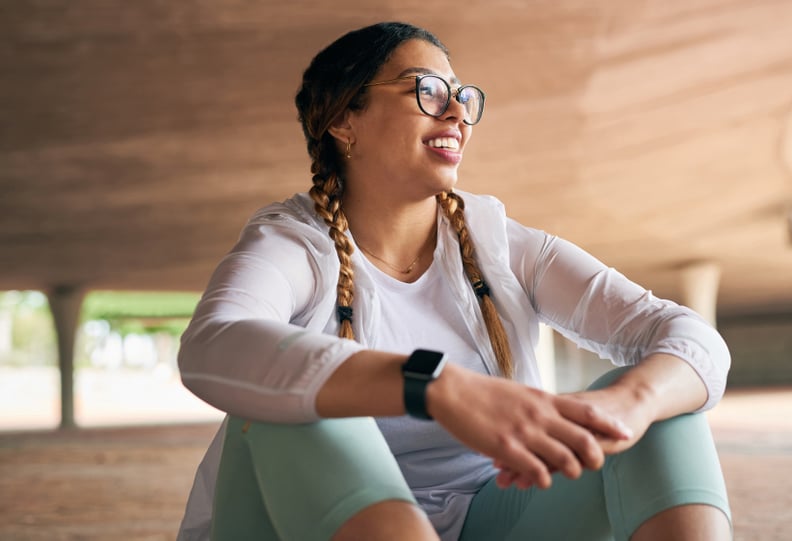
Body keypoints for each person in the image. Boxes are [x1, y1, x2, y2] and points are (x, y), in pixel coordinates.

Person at [177, 21, 732, 541]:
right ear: (345, 120)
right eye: (428, 93)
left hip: (495, 510)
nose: (457, 116)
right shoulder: (294, 243)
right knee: (291, 406)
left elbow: (689, 336)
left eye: (462, 98)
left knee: (662, 412)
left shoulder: (502, 245)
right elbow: (212, 344)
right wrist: (436, 386)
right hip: (302, 518)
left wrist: (627, 406)